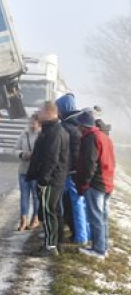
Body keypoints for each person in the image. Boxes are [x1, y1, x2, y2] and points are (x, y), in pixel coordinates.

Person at [26, 101, 70, 257]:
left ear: (49, 112)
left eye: (40, 110)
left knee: (48, 211)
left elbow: (51, 158)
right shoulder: (50, 129)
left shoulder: (55, 132)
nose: (38, 113)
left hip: (51, 180)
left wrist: (43, 179)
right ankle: (54, 243)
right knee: (54, 211)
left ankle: (51, 246)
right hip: (54, 178)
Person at [75, 110, 116, 261]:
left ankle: (98, 250)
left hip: (95, 184)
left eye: (79, 125)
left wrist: (84, 184)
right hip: (107, 182)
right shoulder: (104, 137)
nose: (78, 128)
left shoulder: (90, 138)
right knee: (103, 217)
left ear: (83, 125)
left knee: (96, 217)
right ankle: (103, 247)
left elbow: (88, 164)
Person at [56, 93, 89, 245]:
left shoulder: (65, 127)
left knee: (72, 205)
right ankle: (82, 235)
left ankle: (80, 237)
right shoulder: (77, 124)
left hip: (69, 172)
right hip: (77, 170)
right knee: (79, 205)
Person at [13, 114, 41, 231]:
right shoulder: (24, 134)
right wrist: (22, 154)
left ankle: (35, 219)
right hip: (23, 170)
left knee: (36, 196)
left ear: (39, 123)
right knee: (24, 196)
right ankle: (23, 220)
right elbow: (15, 149)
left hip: (36, 171)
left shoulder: (42, 135)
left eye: (34, 122)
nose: (31, 125)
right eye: (30, 122)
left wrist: (34, 156)